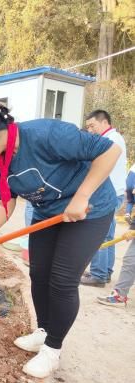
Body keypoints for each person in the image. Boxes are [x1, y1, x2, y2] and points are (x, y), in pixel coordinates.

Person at [0, 103, 120, 378]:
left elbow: (110, 151)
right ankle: (43, 332)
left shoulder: (46, 134)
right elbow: (5, 201)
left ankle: (52, 350)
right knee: (39, 274)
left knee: (62, 280)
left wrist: (82, 196)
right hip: (48, 215)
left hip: (89, 212)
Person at [80, 110, 128, 286]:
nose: (90, 130)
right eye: (88, 127)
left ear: (104, 122)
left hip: (109, 194)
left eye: (92, 126)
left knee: (99, 234)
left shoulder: (110, 140)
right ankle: (105, 271)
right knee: (108, 234)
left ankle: (98, 274)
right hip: (115, 192)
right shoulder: (115, 138)